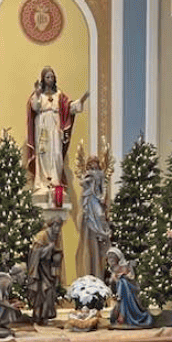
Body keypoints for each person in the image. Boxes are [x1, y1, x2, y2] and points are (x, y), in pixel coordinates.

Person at [27, 67, 89, 195]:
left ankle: (55, 182)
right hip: (42, 126)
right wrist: (37, 93)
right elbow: (34, 107)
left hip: (55, 127)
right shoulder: (38, 94)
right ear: (43, 79)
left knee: (56, 153)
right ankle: (42, 184)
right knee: (43, 154)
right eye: (47, 77)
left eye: (52, 77)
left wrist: (81, 100)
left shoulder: (59, 95)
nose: (50, 79)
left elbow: (70, 108)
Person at [77, 155, 110, 278]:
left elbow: (104, 186)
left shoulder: (101, 174)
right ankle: (96, 227)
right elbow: (82, 183)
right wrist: (87, 179)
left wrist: (103, 197)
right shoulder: (88, 173)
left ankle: (101, 230)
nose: (94, 165)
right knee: (90, 217)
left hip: (97, 199)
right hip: (89, 198)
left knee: (100, 213)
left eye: (95, 162)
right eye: (91, 163)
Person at [27, 216, 63, 324]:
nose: (57, 229)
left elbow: (57, 251)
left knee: (49, 291)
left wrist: (57, 256)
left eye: (59, 226)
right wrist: (48, 248)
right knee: (41, 292)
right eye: (56, 226)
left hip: (48, 268)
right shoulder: (42, 235)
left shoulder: (56, 236)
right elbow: (35, 252)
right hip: (38, 269)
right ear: (51, 225)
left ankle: (45, 316)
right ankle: (37, 315)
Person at [106, 247, 154, 328]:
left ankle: (122, 313)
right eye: (109, 258)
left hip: (130, 288)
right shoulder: (113, 269)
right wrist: (114, 279)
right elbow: (112, 282)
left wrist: (124, 276)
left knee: (123, 282)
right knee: (122, 283)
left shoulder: (125, 265)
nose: (111, 260)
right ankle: (121, 312)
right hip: (121, 289)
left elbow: (132, 277)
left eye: (112, 257)